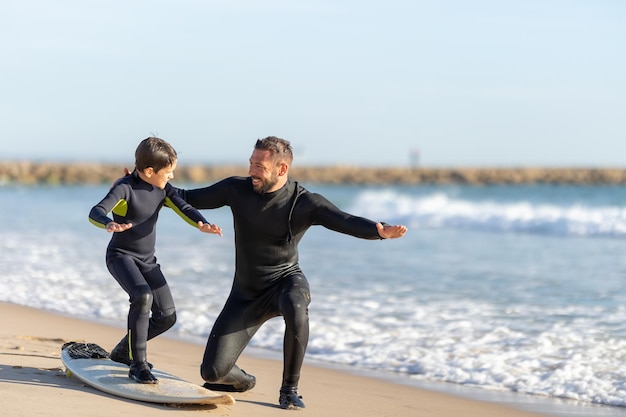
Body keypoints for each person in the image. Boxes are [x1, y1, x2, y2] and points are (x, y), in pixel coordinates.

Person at [175, 136, 407, 409]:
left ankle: (289, 389)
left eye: (259, 166)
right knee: (212, 373)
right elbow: (188, 198)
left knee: (297, 305)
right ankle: (245, 381)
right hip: (246, 294)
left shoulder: (304, 202)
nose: (251, 171)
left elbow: (344, 220)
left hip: (285, 281)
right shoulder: (235, 189)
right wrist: (146, 185)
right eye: (251, 163)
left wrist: (379, 231)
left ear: (282, 169)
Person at [89, 137, 223, 384]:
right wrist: (109, 223)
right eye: (168, 172)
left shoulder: (163, 190)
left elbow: (184, 206)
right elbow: (96, 211)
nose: (171, 177)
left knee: (167, 316)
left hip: (148, 261)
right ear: (149, 171)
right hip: (121, 256)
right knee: (142, 296)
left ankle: (122, 351)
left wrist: (202, 223)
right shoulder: (124, 188)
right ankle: (138, 365)